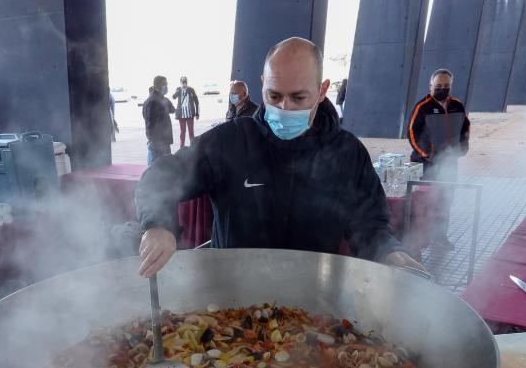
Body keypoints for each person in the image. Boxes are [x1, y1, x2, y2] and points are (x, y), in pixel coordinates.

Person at [136, 37, 423, 278]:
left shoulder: (347, 153)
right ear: (262, 83)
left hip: (312, 301)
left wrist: (389, 253)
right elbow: (160, 176)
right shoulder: (228, 141)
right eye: (274, 96)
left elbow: (370, 225)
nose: (284, 108)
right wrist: (159, 224)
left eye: (298, 98)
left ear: (322, 90)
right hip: (230, 297)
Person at [408, 68, 470, 250]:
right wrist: (427, 154)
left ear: (451, 86)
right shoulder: (422, 106)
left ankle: (440, 236)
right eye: (438, 85)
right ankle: (419, 238)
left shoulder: (457, 105)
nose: (442, 89)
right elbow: (411, 133)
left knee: (446, 199)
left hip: (449, 163)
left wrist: (462, 148)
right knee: (425, 201)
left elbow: (466, 128)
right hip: (426, 164)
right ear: (430, 86)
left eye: (446, 86)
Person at [142, 75, 175, 165]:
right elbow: (149, 123)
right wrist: (151, 140)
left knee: (166, 165)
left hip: (165, 139)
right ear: (157, 85)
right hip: (157, 141)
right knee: (156, 166)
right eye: (165, 84)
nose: (166, 86)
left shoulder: (163, 99)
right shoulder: (151, 101)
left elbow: (172, 110)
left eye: (167, 84)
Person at [172, 76, 200, 148]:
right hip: (181, 115)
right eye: (182, 82)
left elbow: (196, 101)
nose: (184, 84)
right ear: (180, 83)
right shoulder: (178, 89)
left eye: (185, 82)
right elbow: (173, 97)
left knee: (191, 132)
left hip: (190, 114)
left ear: (187, 82)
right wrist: (179, 91)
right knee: (182, 132)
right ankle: (182, 146)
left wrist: (197, 113)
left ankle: (193, 146)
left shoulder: (191, 90)